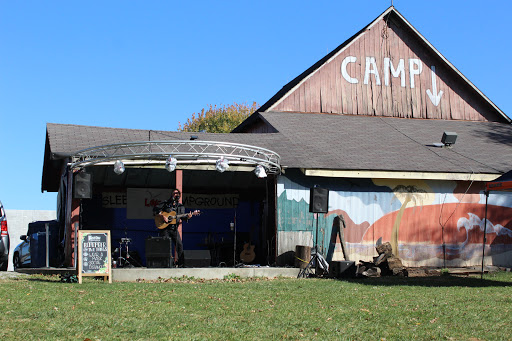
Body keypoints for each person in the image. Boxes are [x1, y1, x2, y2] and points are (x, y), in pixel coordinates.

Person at [153, 189, 193, 267]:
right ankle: (166, 264)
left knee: (179, 245)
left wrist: (188, 217)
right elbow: (155, 209)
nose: (176, 194)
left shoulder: (180, 206)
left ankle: (181, 264)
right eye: (174, 193)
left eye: (177, 193)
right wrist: (163, 216)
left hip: (174, 229)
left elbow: (183, 218)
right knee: (166, 246)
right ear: (171, 194)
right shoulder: (166, 203)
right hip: (165, 229)